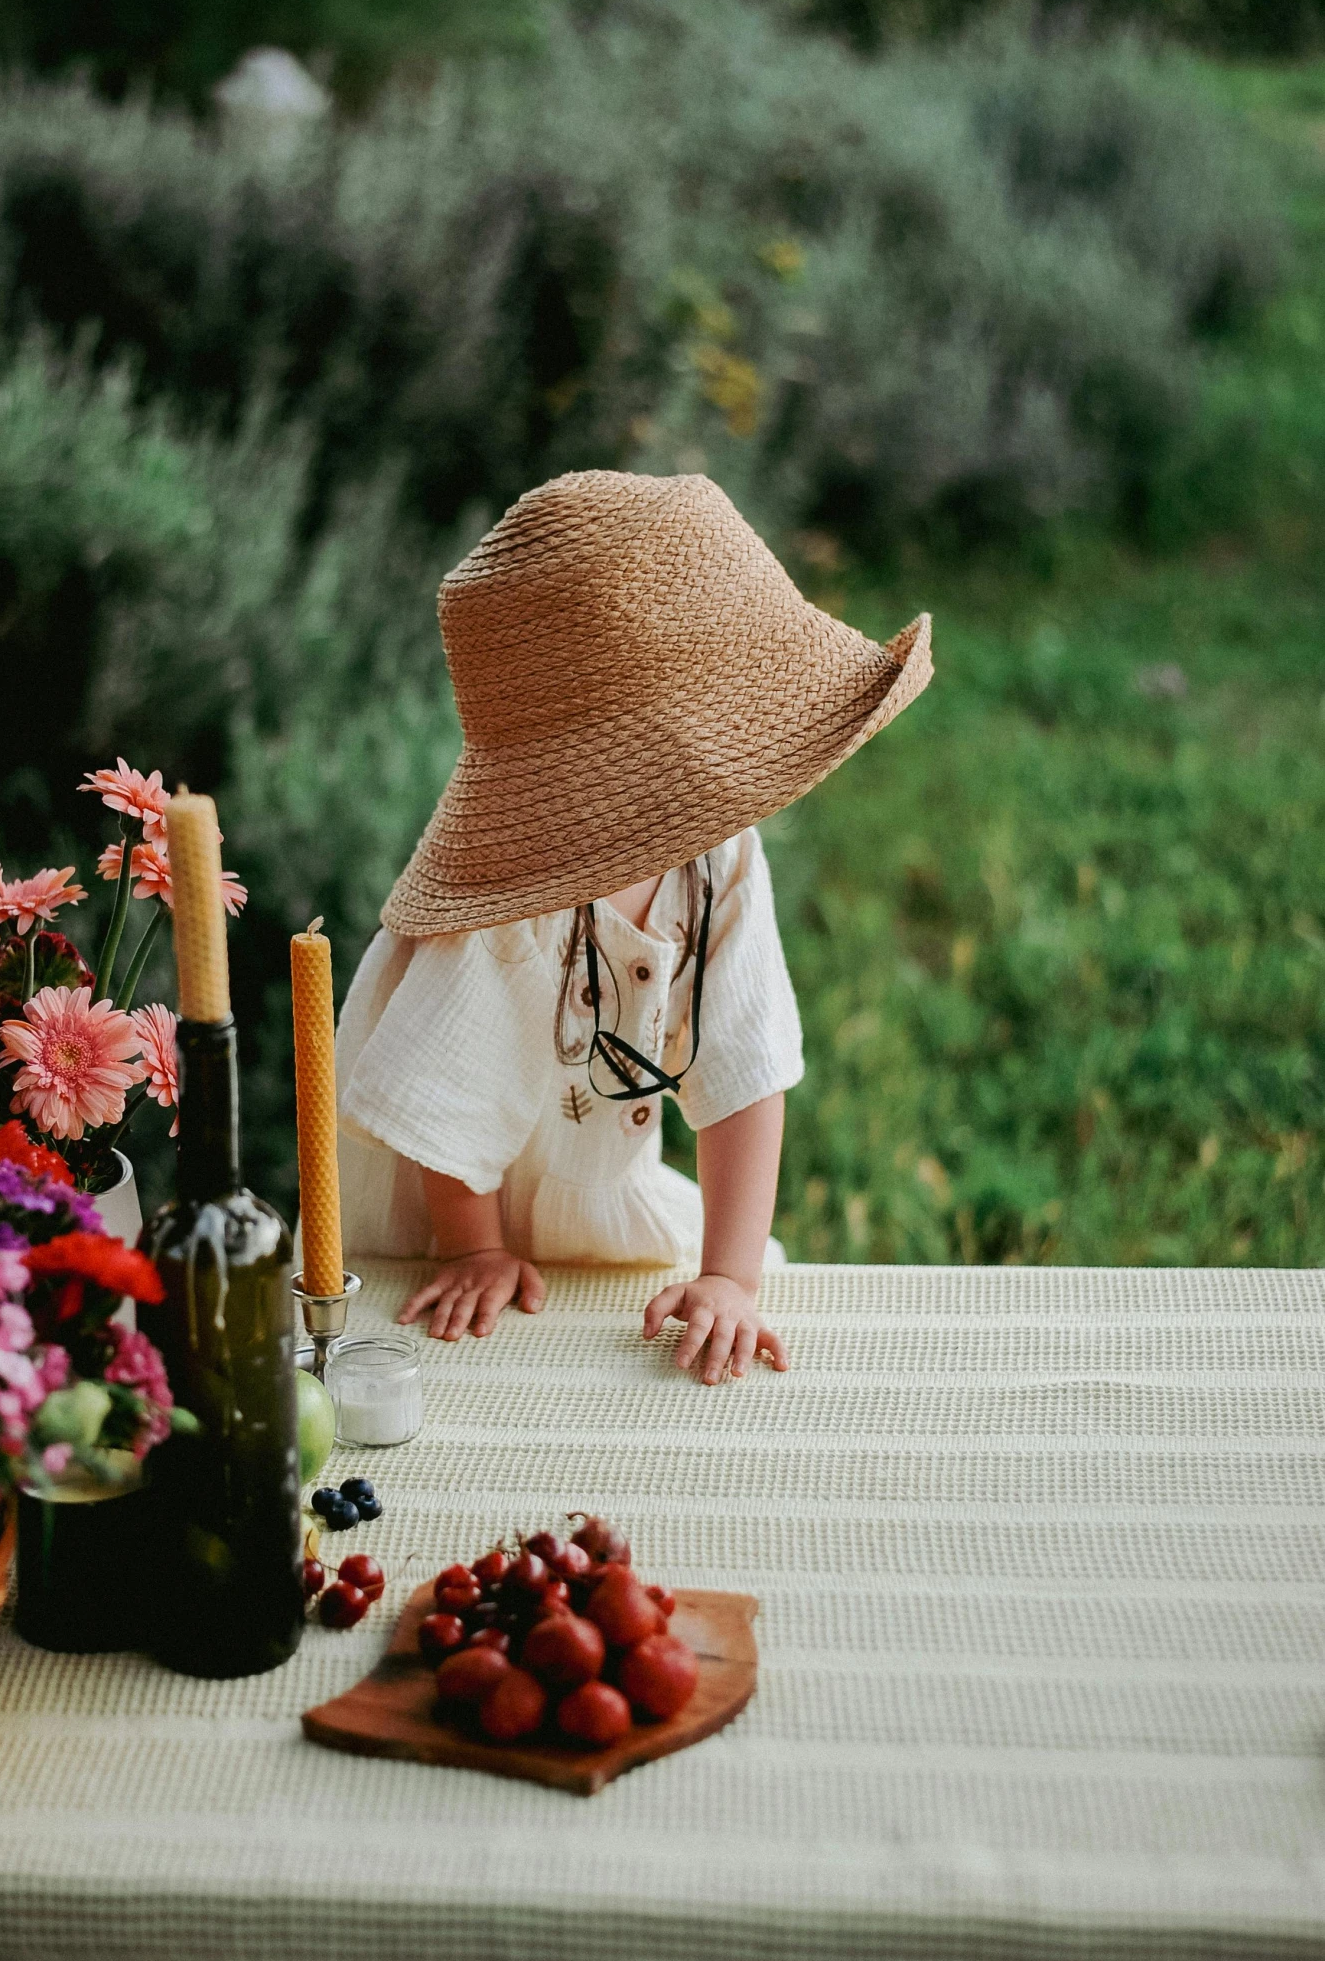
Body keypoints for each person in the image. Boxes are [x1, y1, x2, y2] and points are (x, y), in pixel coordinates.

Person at [334, 470, 931, 1383]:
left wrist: (728, 1275)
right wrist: (473, 1249)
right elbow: (446, 1098)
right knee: (472, 1355)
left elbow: (746, 1067)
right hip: (443, 1205)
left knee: (705, 1284)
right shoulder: (507, 898)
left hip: (595, 1186)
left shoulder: (722, 853)